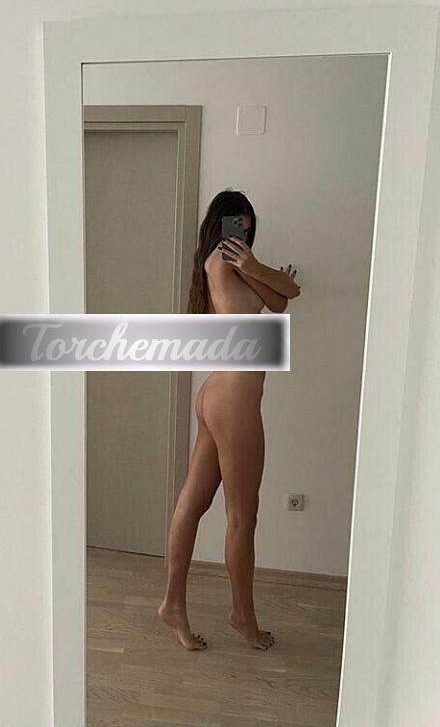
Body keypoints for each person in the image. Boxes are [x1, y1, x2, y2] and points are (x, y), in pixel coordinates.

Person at [158, 190, 300, 651]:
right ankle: (243, 616)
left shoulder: (228, 265)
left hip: (217, 395)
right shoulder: (227, 261)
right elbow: (289, 290)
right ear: (220, 225)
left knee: (192, 503)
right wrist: (261, 269)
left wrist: (261, 272)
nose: (244, 232)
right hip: (234, 400)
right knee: (242, 517)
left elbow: (281, 302)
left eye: (248, 224)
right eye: (237, 223)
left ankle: (172, 605)